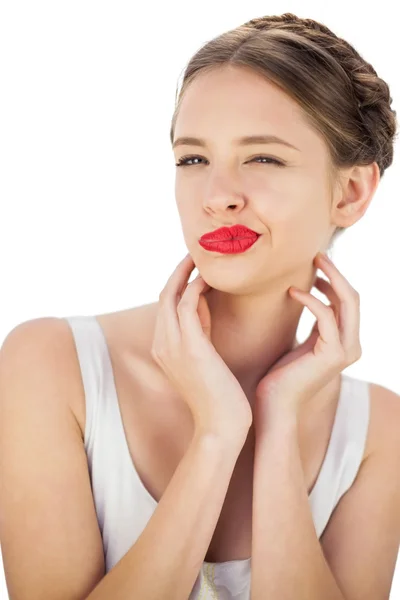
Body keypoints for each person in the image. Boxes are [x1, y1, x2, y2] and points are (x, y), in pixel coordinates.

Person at [0, 12, 399, 600]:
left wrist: (278, 421)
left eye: (263, 158)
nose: (217, 197)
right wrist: (217, 434)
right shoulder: (49, 367)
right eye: (193, 160)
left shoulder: (379, 433)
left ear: (351, 191)